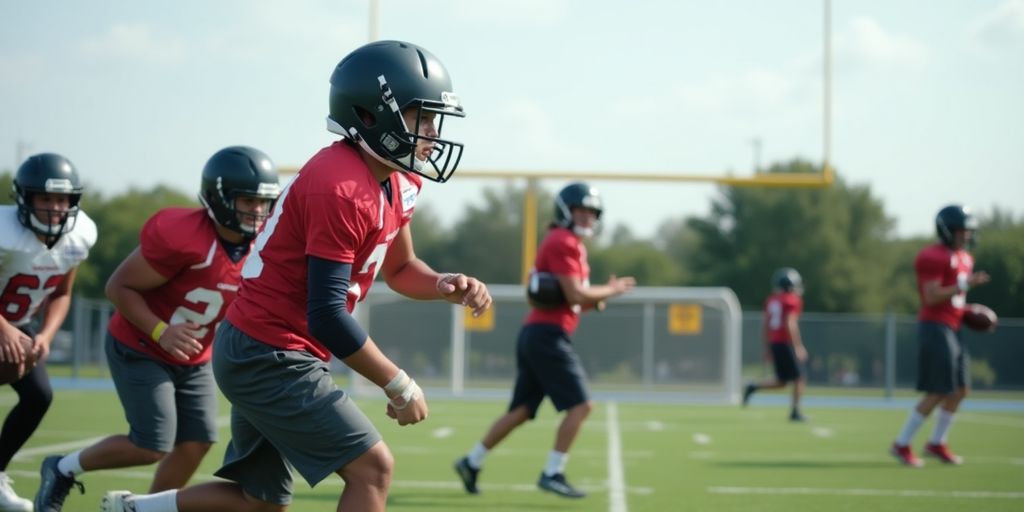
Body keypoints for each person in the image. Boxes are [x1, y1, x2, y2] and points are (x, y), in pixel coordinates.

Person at [100, 40, 491, 512]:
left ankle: (134, 509)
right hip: (268, 350)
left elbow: (403, 269)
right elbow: (326, 314)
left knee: (259, 502)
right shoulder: (340, 185)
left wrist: (444, 284)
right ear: (371, 115)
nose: (431, 132)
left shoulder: (398, 179)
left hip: (268, 345)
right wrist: (398, 383)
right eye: (420, 117)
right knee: (372, 469)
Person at [34, 146, 281, 511]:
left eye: (264, 203)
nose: (257, 211)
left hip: (194, 355)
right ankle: (62, 468)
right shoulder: (182, 234)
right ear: (219, 197)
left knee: (197, 441)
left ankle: (144, 508)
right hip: (140, 345)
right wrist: (160, 330)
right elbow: (118, 287)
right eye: (248, 201)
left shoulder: (262, 247)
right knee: (151, 444)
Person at [455, 182, 636, 499]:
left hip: (538, 334)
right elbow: (577, 294)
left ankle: (471, 461)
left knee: (522, 410)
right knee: (581, 406)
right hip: (547, 336)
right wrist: (612, 290)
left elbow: (575, 298)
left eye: (592, 212)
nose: (587, 217)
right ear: (567, 211)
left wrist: (598, 297)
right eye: (582, 210)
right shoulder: (564, 241)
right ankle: (553, 472)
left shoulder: (567, 242)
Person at [0, 153, 97, 512]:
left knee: (38, 395)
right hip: (4, 324)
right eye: (45, 198)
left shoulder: (78, 236)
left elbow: (61, 292)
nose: (55, 207)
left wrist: (46, 335)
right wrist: (5, 329)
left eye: (62, 199)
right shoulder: (5, 233)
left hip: (20, 325)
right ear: (25, 198)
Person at [889, 205, 990, 467]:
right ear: (947, 231)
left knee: (961, 389)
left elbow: (955, 297)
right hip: (935, 327)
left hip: (954, 327)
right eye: (961, 231)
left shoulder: (966, 258)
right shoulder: (932, 256)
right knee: (938, 391)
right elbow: (932, 296)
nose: (966, 236)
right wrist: (966, 285)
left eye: (968, 231)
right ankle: (901, 443)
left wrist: (968, 310)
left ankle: (937, 442)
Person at [742, 267, 809, 422]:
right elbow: (790, 323)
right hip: (786, 343)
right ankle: (795, 412)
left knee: (782, 381)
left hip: (774, 343)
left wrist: (767, 346)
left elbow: (765, 325)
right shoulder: (792, 300)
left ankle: (753, 387)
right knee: (800, 378)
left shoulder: (771, 300)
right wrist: (798, 346)